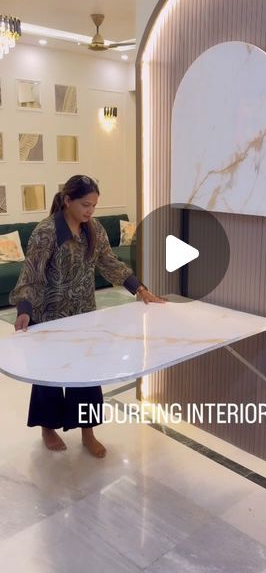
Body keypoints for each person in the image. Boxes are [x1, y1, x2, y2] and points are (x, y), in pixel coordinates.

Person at [9, 175, 165, 458]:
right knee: (49, 376)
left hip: (83, 316)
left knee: (88, 376)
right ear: (67, 200)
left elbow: (108, 262)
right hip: (50, 318)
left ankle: (88, 432)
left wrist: (140, 289)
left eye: (93, 205)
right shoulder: (46, 232)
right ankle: (48, 427)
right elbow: (31, 273)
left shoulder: (94, 230)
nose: (90, 211)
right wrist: (24, 310)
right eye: (85, 204)